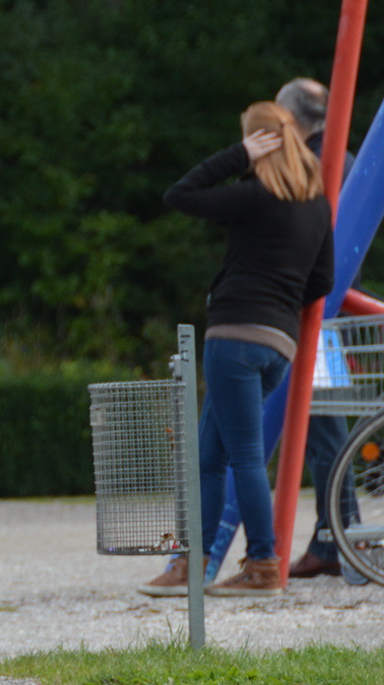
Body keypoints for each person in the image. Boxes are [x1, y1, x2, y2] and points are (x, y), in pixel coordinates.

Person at [141, 101, 334, 598]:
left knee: (245, 457)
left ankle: (264, 564)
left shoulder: (254, 196)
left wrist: (236, 154)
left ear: (259, 143)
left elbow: (179, 193)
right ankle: (191, 564)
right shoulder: (316, 205)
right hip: (278, 345)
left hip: (235, 338)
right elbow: (323, 280)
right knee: (209, 456)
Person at [277, 78, 356, 580]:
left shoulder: (305, 161)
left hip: (314, 310)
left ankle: (335, 536)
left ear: (290, 118)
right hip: (334, 299)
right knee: (326, 425)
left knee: (324, 427)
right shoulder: (344, 157)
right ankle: (339, 530)